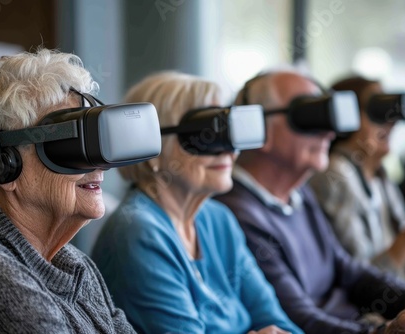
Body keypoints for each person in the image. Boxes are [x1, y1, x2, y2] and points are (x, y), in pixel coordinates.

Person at [215, 70, 405, 334]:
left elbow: (349, 271)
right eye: (311, 116)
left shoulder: (298, 194)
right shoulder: (236, 212)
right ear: (257, 126)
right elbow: (298, 319)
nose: (330, 132)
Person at [92, 71, 302, 334]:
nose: (229, 149)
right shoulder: (138, 232)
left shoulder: (219, 219)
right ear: (153, 146)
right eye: (208, 134)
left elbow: (277, 320)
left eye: (229, 131)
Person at [0, 49, 135, 333]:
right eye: (71, 143)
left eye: (93, 138)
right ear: (3, 165)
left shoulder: (71, 263)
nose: (98, 163)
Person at [309, 76, 405, 284]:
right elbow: (362, 285)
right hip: (385, 308)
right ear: (345, 117)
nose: (390, 122)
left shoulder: (379, 175)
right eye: (377, 111)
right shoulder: (335, 176)